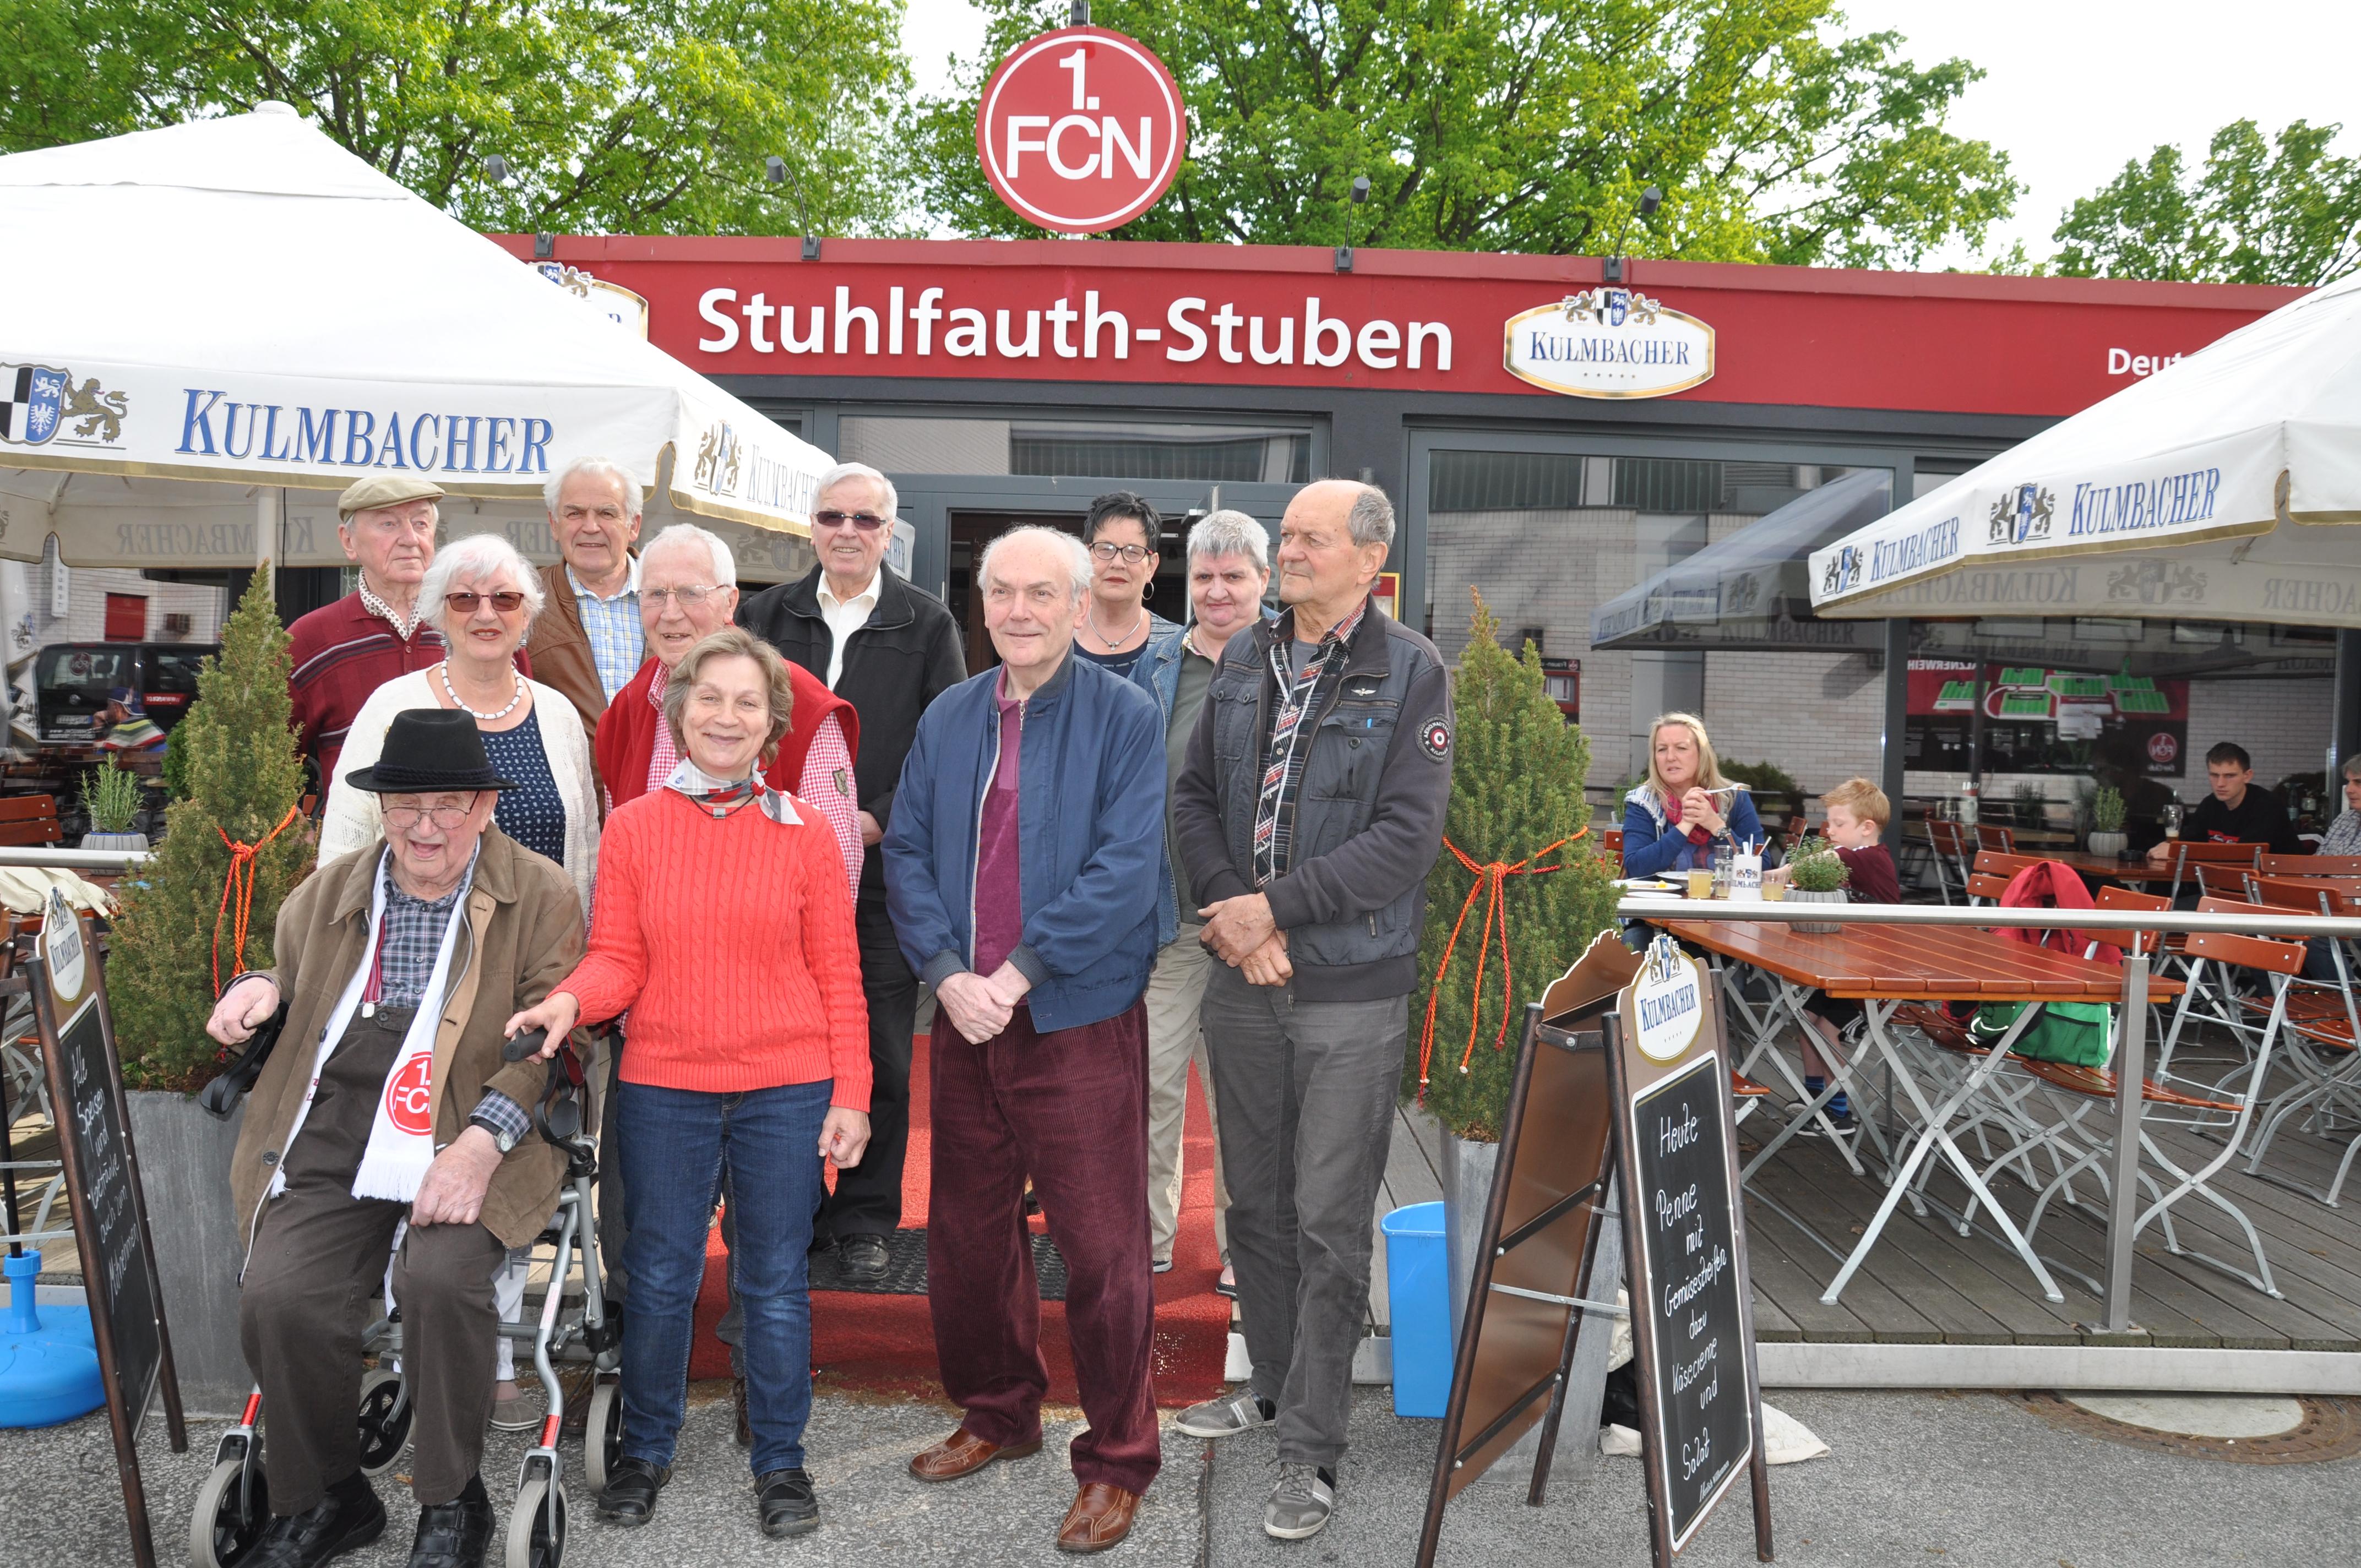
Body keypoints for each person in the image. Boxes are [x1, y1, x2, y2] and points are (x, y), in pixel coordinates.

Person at [505, 628, 872, 1540]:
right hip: (666, 1084)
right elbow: (618, 960)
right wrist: (569, 1001)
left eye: (748, 702)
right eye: (710, 697)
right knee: (662, 1277)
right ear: (680, 711)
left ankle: (780, 1461)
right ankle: (646, 1449)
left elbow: (840, 975)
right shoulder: (635, 826)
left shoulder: (808, 833)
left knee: (774, 1282)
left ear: (772, 724)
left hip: (788, 1086)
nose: (727, 716)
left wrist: (852, 1093)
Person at [208, 709, 586, 1568]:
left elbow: (559, 1040)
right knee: (280, 1294)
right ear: (380, 808)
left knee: (441, 1279)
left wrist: (481, 1144)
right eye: (407, 805)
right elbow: (294, 982)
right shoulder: (329, 892)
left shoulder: (542, 894)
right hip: (339, 1114)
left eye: (449, 804)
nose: (426, 826)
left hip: (475, 1114)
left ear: (486, 806)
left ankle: (453, 1498)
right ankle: (326, 1496)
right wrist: (261, 987)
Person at [1170, 480, 1453, 1542]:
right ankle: (1276, 1388)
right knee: (1255, 1209)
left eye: (1307, 538)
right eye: (1284, 535)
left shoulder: (1411, 669)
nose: (1286, 551)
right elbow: (1192, 799)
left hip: (1349, 989)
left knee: (1329, 1222)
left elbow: (1404, 838)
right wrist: (1235, 918)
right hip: (1242, 978)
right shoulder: (1245, 658)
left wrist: (1272, 909)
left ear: (1368, 558)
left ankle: (1311, 1449)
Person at [883, 526, 1166, 1554]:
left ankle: (1119, 1458)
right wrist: (947, 974)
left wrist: (1016, 973)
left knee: (1102, 1251)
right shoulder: (951, 715)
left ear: (1080, 602)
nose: (1017, 609)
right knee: (967, 1236)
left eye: (1040, 592)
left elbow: (1126, 868)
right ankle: (999, 1410)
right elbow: (907, 851)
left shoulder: (1125, 716)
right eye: (1000, 591)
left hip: (1074, 1014)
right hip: (966, 1017)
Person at [592, 522, 860, 1433]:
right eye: (653, 596)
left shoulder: (803, 714)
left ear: (730, 602)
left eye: (690, 594)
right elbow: (620, 919)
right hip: (663, 1053)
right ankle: (646, 1427)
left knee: (767, 1262)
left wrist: (846, 1082)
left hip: (777, 1058)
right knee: (652, 1256)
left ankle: (762, 1402)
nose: (670, 612)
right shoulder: (628, 712)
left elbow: (834, 922)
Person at [737, 462, 966, 1283]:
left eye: (865, 520)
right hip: (768, 877)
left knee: (884, 1056)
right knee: (780, 1054)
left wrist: (877, 819)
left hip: (877, 878)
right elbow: (728, 723)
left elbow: (947, 748)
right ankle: (791, 1212)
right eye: (832, 516)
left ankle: (866, 1218)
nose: (847, 532)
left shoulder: (927, 623)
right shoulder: (762, 616)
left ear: (888, 533)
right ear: (811, 525)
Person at [322, 534, 597, 918]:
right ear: (440, 614)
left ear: (526, 615)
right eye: (465, 599)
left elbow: (586, 851)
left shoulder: (560, 715)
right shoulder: (391, 708)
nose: (485, 614)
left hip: (545, 945)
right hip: (421, 944)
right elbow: (343, 849)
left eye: (504, 599)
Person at [1143, 510, 1268, 1286]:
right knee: (1150, 1083)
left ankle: (1243, 1251)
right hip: (1169, 920)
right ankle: (1148, 1239)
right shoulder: (1157, 664)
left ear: (1264, 580)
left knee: (1245, 1099)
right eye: (1203, 577)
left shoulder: (1294, 666)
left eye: (1234, 576)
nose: (1217, 591)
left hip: (1256, 925)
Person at [288, 475, 529, 790]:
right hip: (361, 820)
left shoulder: (483, 627)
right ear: (348, 541)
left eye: (421, 523)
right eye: (388, 524)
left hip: (482, 816)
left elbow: (527, 724)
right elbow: (266, 758)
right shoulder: (310, 639)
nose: (410, 539)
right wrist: (295, 820)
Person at [1765, 778, 1898, 1124]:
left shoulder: (1868, 857)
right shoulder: (1857, 858)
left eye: (1839, 824)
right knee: (1807, 1017)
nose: (1831, 831)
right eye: (1830, 823)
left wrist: (1779, 873)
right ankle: (1815, 1095)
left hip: (1876, 975)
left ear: (1867, 828)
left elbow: (1825, 860)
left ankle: (1838, 1111)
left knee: (1826, 1027)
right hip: (1851, 965)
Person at [525, 458, 649, 782]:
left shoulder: (675, 597)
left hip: (662, 798)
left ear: (634, 525)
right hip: (566, 800)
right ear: (554, 524)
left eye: (607, 513)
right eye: (575, 513)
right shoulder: (520, 601)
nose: (590, 527)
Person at [1620, 712, 1764, 878]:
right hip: (1663, 895)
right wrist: (1686, 823)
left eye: (1681, 748)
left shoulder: (1733, 797)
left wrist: (1717, 826)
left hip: (1722, 895)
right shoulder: (1643, 801)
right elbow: (1636, 869)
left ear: (1702, 753)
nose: (1670, 757)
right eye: (1662, 749)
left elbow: (1763, 866)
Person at [1074, 489, 1182, 682]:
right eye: (1105, 549)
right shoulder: (1057, 635)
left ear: (1152, 566)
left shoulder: (1178, 646)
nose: (1118, 563)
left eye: (1133, 551)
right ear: (1086, 556)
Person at [2146, 741, 2302, 862]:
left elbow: (2245, 855)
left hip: (2277, 886)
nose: (2220, 784)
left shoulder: (2267, 806)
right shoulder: (2210, 804)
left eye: (2230, 776)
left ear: (2247, 776)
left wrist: (2178, 851)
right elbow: (2190, 841)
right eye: (2214, 775)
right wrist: (2172, 849)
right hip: (2228, 885)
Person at [96, 687, 165, 752]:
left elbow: (100, 756)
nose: (107, 710)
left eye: (109, 706)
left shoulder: (126, 729)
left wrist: (97, 726)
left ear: (117, 707)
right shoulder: (147, 723)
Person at [2319, 756, 2361, 856]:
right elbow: (2318, 861)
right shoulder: (2344, 819)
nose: (2349, 790)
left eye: (2359, 782)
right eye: (2348, 782)